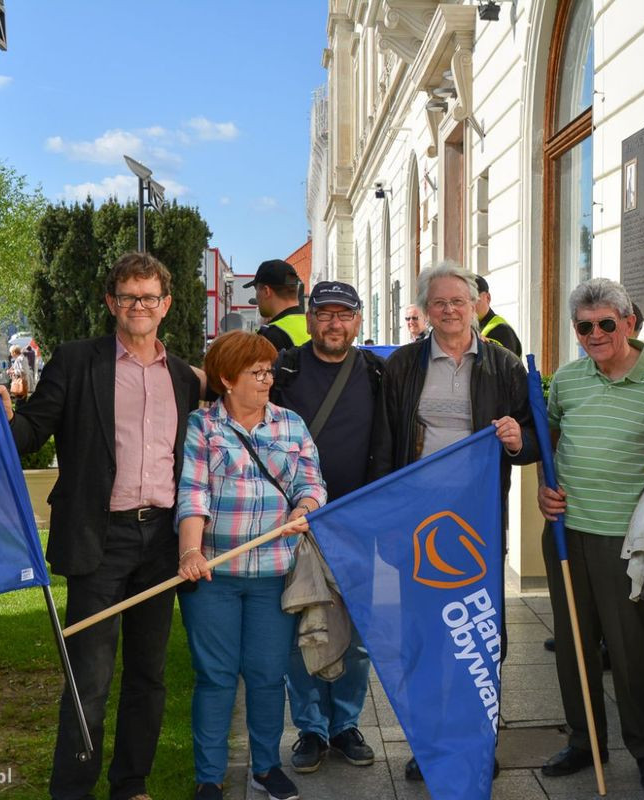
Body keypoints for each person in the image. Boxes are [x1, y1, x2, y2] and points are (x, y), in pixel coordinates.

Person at [0, 252, 202, 800]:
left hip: (160, 540)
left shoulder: (182, 377)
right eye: (128, 296)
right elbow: (33, 430)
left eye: (149, 297)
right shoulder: (77, 361)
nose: (139, 306)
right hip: (98, 539)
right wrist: (2, 420)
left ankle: (131, 784)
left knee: (148, 676)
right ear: (111, 302)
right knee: (88, 679)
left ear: (166, 306)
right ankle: (72, 790)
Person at [372, 260, 539, 782]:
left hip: (476, 521)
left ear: (475, 306)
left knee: (478, 634)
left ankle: (475, 740)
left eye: (458, 302)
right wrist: (386, 520)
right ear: (425, 310)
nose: (449, 311)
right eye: (439, 303)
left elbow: (536, 440)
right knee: (423, 636)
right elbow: (385, 443)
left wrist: (518, 440)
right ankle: (429, 744)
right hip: (418, 521)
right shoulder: (401, 366)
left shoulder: (506, 366)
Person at [537, 277, 644, 794]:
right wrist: (543, 488)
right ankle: (585, 743)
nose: (595, 334)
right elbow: (550, 439)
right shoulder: (568, 382)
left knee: (631, 650)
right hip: (567, 534)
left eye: (606, 323)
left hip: (628, 540)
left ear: (629, 322)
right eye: (584, 327)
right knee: (574, 646)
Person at [176, 330, 325, 800]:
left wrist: (304, 509)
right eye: (256, 372)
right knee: (216, 677)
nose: (267, 380)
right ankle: (209, 778)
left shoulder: (290, 424)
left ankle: (265, 767)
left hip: (273, 574)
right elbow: (193, 491)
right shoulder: (203, 425)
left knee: (266, 676)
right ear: (226, 378)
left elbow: (312, 483)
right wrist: (190, 552)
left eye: (269, 371)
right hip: (214, 575)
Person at [270, 281, 385, 775]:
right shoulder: (285, 369)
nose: (334, 324)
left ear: (358, 320)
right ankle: (311, 729)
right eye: (325, 314)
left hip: (362, 520)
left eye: (344, 315)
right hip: (298, 520)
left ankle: (346, 724)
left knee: (357, 633)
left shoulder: (378, 372)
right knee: (304, 626)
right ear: (311, 318)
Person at [246, 258, 309, 351]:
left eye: (256, 290)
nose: (256, 297)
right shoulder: (314, 325)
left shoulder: (269, 337)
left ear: (267, 291)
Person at [473, 275, 522, 357]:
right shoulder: (470, 326)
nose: (469, 304)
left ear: (487, 298)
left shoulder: (501, 330)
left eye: (473, 298)